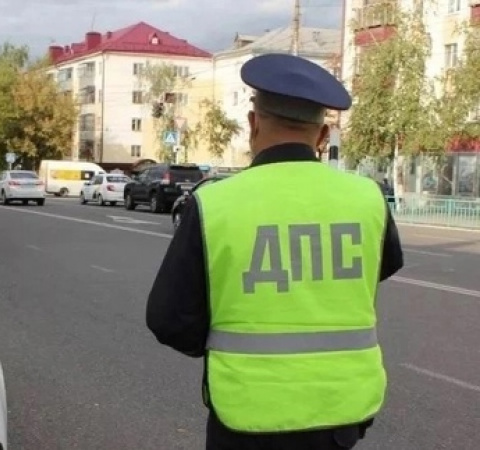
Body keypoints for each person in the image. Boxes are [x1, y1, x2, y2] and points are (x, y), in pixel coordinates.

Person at [146, 53, 404, 450]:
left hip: (247, 412)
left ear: (252, 124)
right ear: (322, 136)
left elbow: (168, 319)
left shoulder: (216, 203)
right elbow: (379, 268)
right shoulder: (367, 198)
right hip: (342, 409)